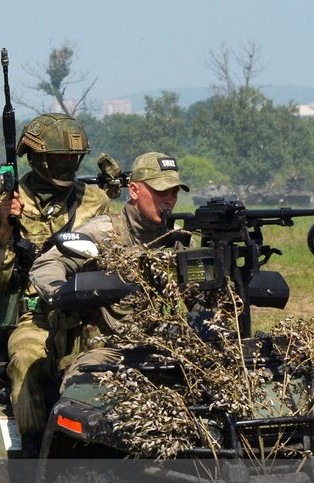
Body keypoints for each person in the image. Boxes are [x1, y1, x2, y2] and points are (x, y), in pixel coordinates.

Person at [0, 113, 112, 447]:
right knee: (25, 363)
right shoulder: (10, 206)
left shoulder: (96, 202)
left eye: (72, 158)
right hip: (36, 316)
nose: (67, 164)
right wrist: (7, 228)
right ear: (38, 158)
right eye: (59, 158)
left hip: (88, 315)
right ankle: (34, 453)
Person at [29, 152, 192, 383]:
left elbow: (202, 296)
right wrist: (61, 292)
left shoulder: (178, 240)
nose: (168, 200)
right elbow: (47, 263)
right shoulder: (104, 233)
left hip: (162, 347)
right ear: (134, 190)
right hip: (106, 349)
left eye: (174, 192)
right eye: (160, 192)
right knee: (81, 389)